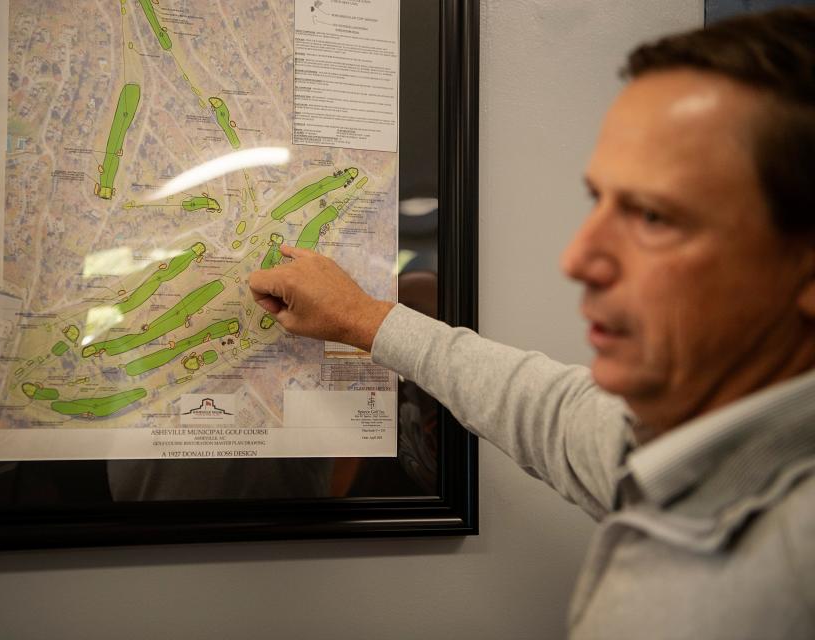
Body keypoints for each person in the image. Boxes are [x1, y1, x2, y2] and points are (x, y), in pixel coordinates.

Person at [249, 8, 815, 639]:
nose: (578, 259)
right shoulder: (686, 454)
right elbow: (547, 407)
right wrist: (362, 318)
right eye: (598, 200)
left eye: (653, 216)